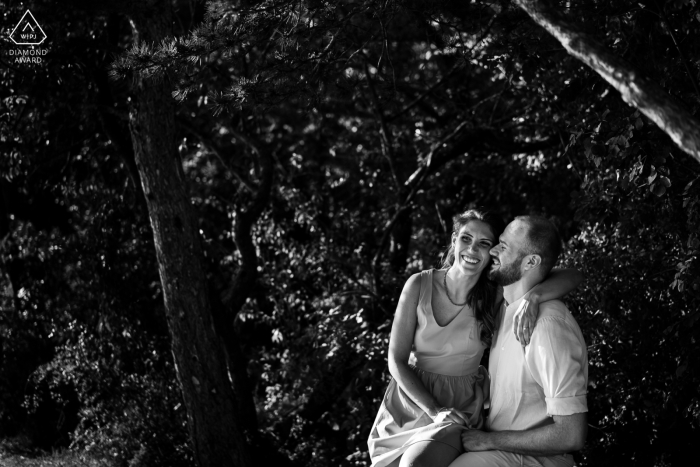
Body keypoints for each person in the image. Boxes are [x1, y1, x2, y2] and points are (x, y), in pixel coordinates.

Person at [367, 210, 583, 467]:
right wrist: (433, 410)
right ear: (454, 240)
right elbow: (395, 359)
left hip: (459, 408)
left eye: (484, 244)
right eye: (466, 239)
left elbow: (573, 275)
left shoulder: (494, 294)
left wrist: (534, 298)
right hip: (413, 400)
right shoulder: (419, 284)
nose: (473, 249)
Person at [449, 216, 588, 467]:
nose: (492, 250)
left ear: (531, 262)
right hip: (499, 450)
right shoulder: (504, 306)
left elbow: (571, 434)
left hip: (536, 460)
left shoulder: (547, 326)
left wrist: (489, 441)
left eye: (504, 246)